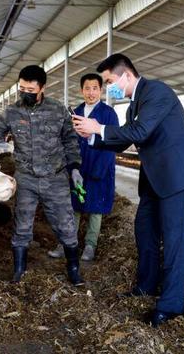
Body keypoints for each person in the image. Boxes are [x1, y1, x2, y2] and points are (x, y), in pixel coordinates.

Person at [73, 53, 184, 327]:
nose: (109, 87)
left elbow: (140, 132)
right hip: (155, 179)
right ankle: (147, 284)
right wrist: (92, 138)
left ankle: (172, 305)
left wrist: (99, 126)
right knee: (144, 231)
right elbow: (124, 141)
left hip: (179, 178)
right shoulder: (134, 105)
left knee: (173, 240)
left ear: (126, 75)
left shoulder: (157, 91)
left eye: (109, 81)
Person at [0, 65, 85, 286]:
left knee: (66, 226)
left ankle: (74, 269)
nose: (25, 92)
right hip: (26, 178)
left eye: (30, 89)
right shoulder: (12, 112)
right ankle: (19, 271)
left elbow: (70, 141)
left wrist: (75, 167)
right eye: (21, 88)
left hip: (55, 178)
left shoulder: (58, 110)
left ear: (42, 88)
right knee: (21, 225)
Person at [48, 73, 119, 261]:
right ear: (81, 90)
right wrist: (72, 168)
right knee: (73, 207)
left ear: (101, 90)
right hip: (78, 168)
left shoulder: (108, 114)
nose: (91, 92)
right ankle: (67, 243)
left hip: (100, 167)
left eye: (95, 88)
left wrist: (98, 171)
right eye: (87, 88)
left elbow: (114, 142)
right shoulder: (74, 113)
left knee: (96, 208)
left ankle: (90, 245)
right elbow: (67, 142)